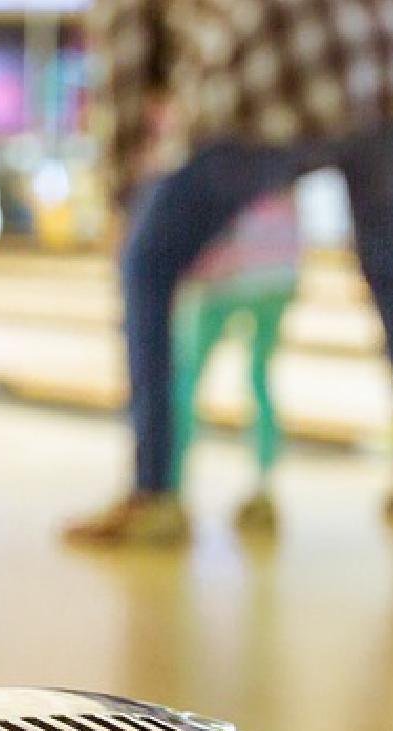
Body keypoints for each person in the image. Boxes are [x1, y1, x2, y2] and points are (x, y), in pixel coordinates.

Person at [67, 0, 393, 547]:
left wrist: (120, 202)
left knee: (146, 263)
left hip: (281, 70)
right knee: (386, 266)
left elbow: (124, 73)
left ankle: (153, 496)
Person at [169, 189, 302, 535]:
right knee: (260, 378)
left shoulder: (223, 145)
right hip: (280, 268)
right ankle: (263, 487)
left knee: (187, 381)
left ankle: (169, 489)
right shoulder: (284, 145)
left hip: (226, 269)